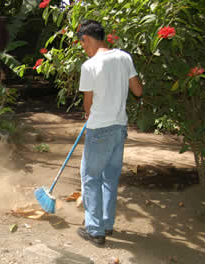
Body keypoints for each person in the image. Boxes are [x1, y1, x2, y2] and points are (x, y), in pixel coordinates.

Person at [76, 20, 143, 246]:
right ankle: (106, 223)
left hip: (100, 129)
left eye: (82, 43)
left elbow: (88, 103)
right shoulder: (124, 57)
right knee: (109, 178)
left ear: (86, 38)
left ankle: (95, 230)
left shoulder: (89, 65)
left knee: (90, 177)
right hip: (119, 127)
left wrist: (89, 117)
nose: (83, 48)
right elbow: (138, 90)